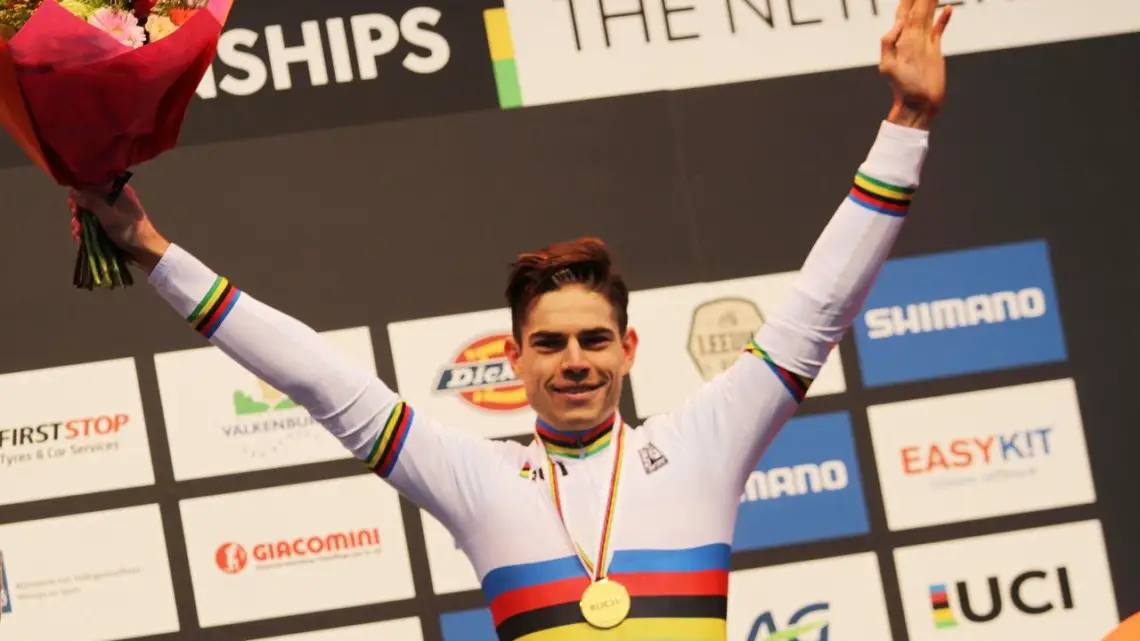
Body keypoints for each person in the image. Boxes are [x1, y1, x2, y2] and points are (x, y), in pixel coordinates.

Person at [71, 1, 952, 638]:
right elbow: (316, 377)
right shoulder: (475, 476)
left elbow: (821, 307)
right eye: (552, 343)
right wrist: (150, 248)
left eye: (595, 339)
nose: (576, 360)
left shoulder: (703, 443)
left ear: (628, 349)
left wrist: (908, 119)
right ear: (514, 359)